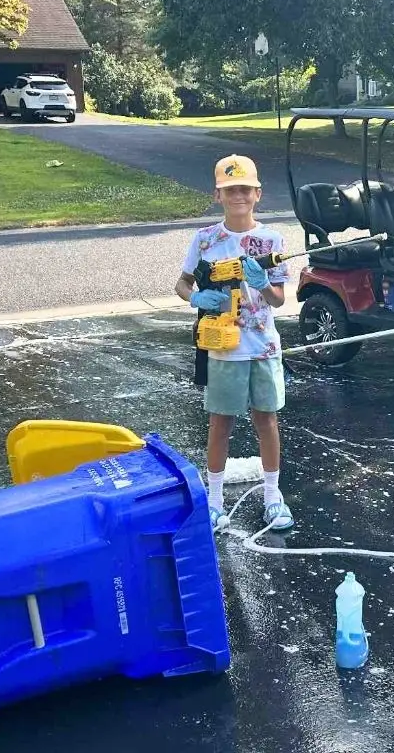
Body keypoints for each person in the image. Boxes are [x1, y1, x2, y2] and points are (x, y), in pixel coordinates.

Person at [175, 154, 294, 532]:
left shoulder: (271, 240)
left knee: (266, 420)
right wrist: (196, 299)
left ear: (257, 193)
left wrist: (262, 284)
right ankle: (213, 501)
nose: (238, 196)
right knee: (220, 424)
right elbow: (182, 283)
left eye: (244, 189)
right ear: (217, 195)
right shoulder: (205, 239)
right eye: (230, 190)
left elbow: (279, 299)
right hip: (222, 345)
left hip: (262, 346)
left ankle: (274, 497)